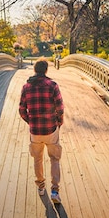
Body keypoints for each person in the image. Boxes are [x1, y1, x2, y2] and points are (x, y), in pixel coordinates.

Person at [19, 58, 64, 203]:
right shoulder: (52, 85)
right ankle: (55, 191)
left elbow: (21, 110)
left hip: (35, 130)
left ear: (34, 70)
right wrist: (59, 121)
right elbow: (60, 107)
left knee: (37, 158)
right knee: (54, 159)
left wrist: (31, 121)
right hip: (51, 129)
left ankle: (40, 186)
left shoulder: (26, 87)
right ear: (46, 70)